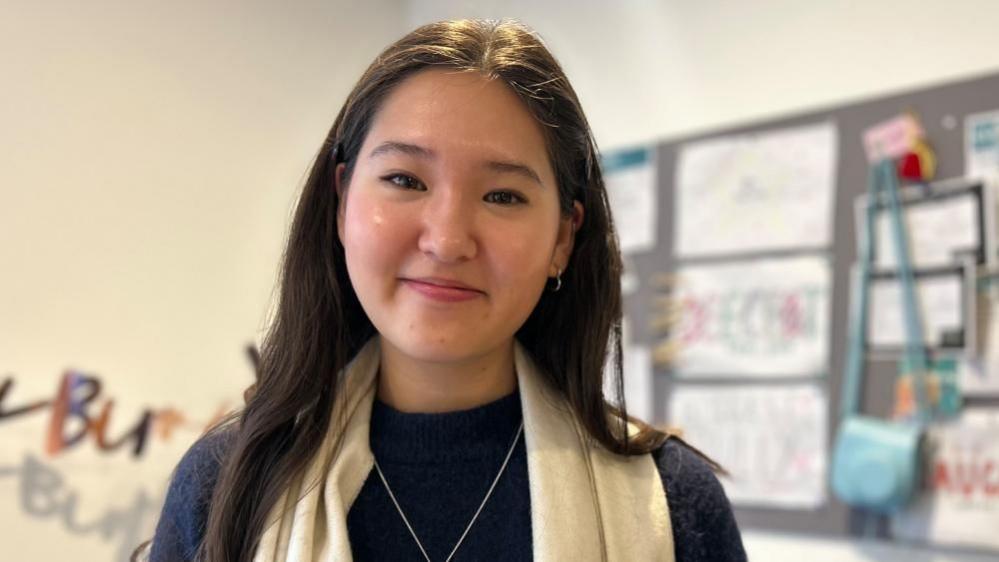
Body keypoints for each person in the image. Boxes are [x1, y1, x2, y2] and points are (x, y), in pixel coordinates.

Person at [135, 18, 746, 562]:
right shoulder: (226, 487)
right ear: (343, 201)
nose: (448, 240)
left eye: (503, 195)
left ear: (564, 236)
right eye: (405, 179)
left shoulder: (669, 504)